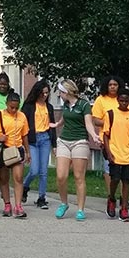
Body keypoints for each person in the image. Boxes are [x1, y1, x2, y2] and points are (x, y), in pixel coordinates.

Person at [55, 79, 100, 221]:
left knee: (78, 177)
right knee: (61, 175)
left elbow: (88, 123)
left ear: (66, 92)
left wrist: (94, 135)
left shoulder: (84, 105)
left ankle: (80, 209)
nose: (59, 95)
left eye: (60, 92)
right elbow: (65, 118)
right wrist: (56, 124)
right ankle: (64, 203)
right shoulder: (66, 105)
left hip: (79, 141)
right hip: (64, 140)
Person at [0, 92, 31, 218]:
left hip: (17, 150)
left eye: (16, 107)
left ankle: (18, 206)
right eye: (11, 107)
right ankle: (7, 204)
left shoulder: (22, 116)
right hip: (3, 150)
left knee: (18, 178)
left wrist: (27, 152)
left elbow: (25, 134)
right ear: (6, 104)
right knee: (4, 179)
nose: (14, 110)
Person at [102, 89, 129, 222]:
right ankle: (112, 198)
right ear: (118, 100)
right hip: (115, 153)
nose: (124, 103)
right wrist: (109, 153)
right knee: (114, 179)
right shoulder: (111, 114)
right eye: (121, 100)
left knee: (126, 181)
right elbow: (105, 135)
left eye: (126, 101)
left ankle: (124, 207)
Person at [91, 75, 129, 207]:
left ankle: (123, 197)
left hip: (123, 140)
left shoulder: (123, 99)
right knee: (110, 170)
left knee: (123, 171)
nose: (113, 87)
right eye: (110, 85)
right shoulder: (101, 100)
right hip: (107, 139)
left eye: (115, 84)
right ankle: (111, 197)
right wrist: (111, 121)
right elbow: (96, 120)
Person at [21, 80, 58, 208]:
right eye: (42, 93)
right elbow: (22, 124)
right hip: (32, 139)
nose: (45, 95)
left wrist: (54, 145)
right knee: (34, 170)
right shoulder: (29, 106)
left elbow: (52, 126)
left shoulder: (50, 107)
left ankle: (42, 197)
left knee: (44, 171)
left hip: (45, 138)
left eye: (47, 93)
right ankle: (25, 187)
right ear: (37, 93)